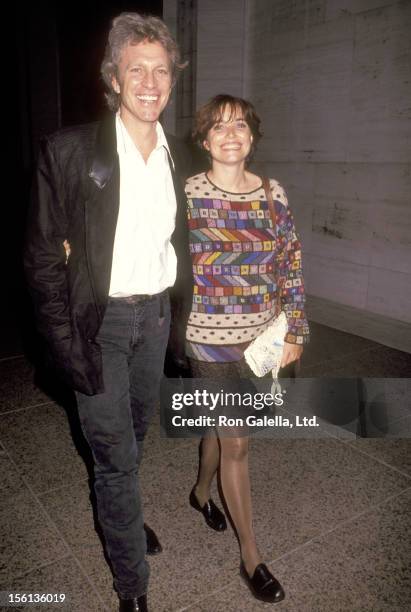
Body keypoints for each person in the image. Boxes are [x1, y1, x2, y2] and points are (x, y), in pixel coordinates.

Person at [24, 13, 192, 612]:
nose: (150, 82)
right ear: (114, 79)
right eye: (135, 70)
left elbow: (186, 243)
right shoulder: (71, 153)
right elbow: (43, 260)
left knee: (135, 438)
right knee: (115, 459)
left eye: (161, 71)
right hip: (99, 325)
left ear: (172, 79)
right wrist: (66, 344)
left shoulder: (179, 156)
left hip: (155, 322)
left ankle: (124, 517)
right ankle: (132, 587)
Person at [184, 94, 309, 604]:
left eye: (240, 125)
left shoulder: (272, 194)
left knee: (224, 430)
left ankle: (198, 492)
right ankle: (251, 557)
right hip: (207, 339)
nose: (230, 134)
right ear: (204, 139)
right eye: (219, 126)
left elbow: (291, 262)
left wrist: (296, 330)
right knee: (236, 442)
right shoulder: (186, 193)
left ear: (252, 137)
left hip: (261, 339)